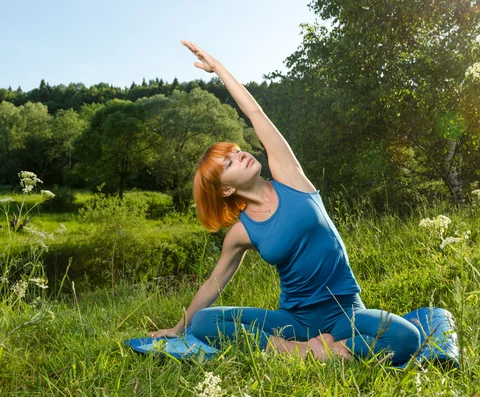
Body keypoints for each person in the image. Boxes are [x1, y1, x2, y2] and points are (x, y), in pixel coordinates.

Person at [149, 40, 421, 364]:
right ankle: (300, 351)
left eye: (237, 150)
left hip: (345, 313)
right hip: (295, 323)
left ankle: (330, 352)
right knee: (205, 323)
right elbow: (214, 283)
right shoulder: (242, 232)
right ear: (223, 190)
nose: (241, 156)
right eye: (229, 163)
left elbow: (255, 112)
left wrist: (219, 69)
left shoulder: (291, 178)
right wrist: (179, 327)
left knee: (406, 337)